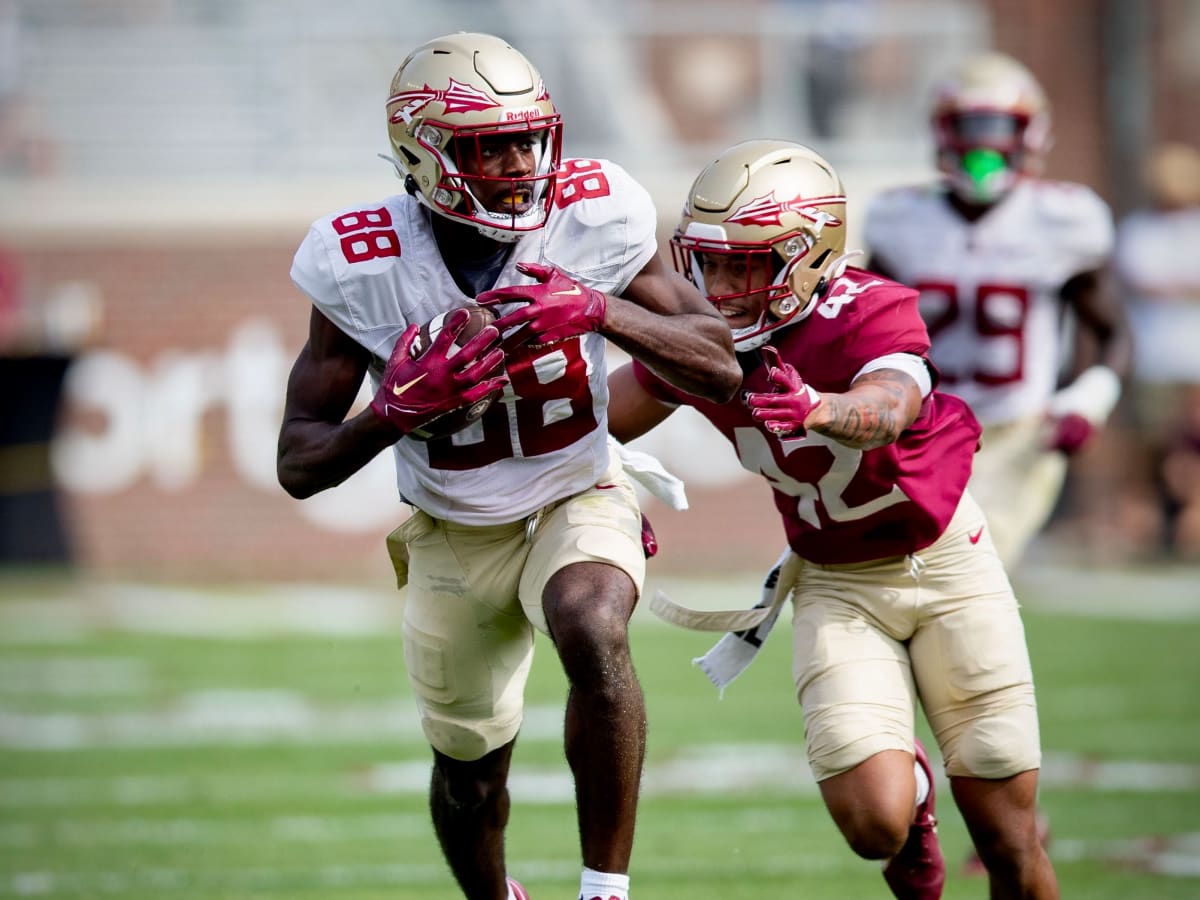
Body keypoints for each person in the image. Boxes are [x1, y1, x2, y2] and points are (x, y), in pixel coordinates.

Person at [276, 32, 740, 900]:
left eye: (529, 137)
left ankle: (605, 891)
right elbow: (299, 462)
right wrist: (393, 412)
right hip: (455, 526)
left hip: (579, 487)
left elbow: (717, 359)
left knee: (592, 619)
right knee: (470, 774)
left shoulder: (595, 215)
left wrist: (600, 310)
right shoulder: (359, 261)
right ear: (426, 152)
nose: (522, 162)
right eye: (490, 144)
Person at [608, 139, 1059, 899]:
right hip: (836, 580)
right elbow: (593, 424)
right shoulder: (702, 343)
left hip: (947, 563)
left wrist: (823, 407)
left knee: (1008, 839)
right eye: (708, 262)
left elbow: (888, 404)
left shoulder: (870, 309)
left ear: (809, 255)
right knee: (873, 824)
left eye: (744, 264)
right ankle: (915, 808)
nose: (718, 287)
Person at [863, 52, 1133, 570]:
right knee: (912, 572)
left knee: (969, 570)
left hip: (1017, 433)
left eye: (999, 125)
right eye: (970, 124)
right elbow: (867, 322)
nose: (984, 142)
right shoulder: (901, 217)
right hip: (922, 426)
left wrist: (1089, 397)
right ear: (943, 131)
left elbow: (1112, 329)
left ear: (1031, 133)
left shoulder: (1063, 218)